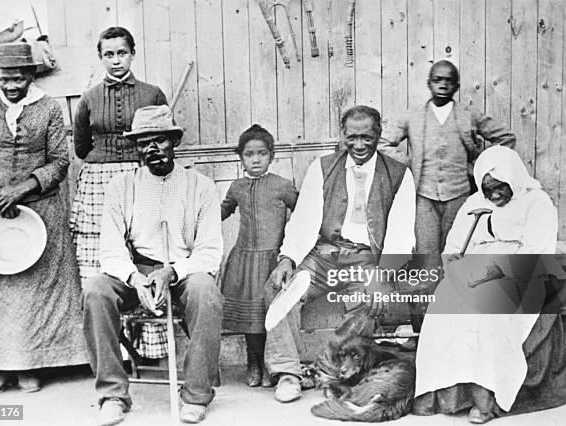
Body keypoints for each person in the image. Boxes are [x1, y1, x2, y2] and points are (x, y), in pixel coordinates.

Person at [0, 42, 86, 394]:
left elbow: (60, 161)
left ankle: (31, 365)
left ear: (30, 75)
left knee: (34, 291)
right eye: (3, 78)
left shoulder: (49, 108)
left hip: (40, 209)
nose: (10, 85)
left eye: (17, 78)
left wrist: (21, 190)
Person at [264, 105, 416, 403]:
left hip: (368, 260)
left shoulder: (399, 174)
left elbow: (401, 232)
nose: (359, 145)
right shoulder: (322, 167)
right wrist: (288, 258)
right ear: (342, 135)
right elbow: (304, 218)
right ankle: (288, 373)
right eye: (352, 137)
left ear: (379, 135)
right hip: (324, 256)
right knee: (278, 288)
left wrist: (383, 277)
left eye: (367, 137)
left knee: (370, 303)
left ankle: (326, 370)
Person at [82, 105, 223, 425]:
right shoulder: (121, 186)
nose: (153, 148)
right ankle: (113, 395)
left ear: (174, 142)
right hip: (137, 272)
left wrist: (172, 271)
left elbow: (210, 251)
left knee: (205, 290)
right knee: (95, 291)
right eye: (145, 142)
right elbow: (111, 249)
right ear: (137, 147)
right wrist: (134, 278)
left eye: (160, 140)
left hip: (183, 272)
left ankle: (197, 395)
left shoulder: (201, 187)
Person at [414, 146, 566, 423]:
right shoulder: (473, 204)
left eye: (500, 187)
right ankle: (444, 394)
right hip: (473, 274)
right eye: (488, 190)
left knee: (487, 316)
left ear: (514, 179)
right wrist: (457, 269)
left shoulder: (537, 203)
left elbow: (535, 253)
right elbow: (453, 248)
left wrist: (492, 271)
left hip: (521, 275)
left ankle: (486, 400)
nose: (495, 195)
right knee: (443, 307)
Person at [70, 26, 170, 361]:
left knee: (144, 254)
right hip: (98, 182)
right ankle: (117, 354)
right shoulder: (89, 98)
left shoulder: (152, 93)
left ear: (133, 53)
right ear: (100, 58)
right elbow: (82, 146)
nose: (115, 60)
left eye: (122, 53)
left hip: (141, 177)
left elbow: (164, 141)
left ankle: (149, 348)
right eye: (108, 54)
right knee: (105, 260)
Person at [381, 60, 516, 256]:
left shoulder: (468, 115)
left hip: (459, 194)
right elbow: (382, 142)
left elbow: (506, 138)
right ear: (429, 83)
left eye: (449, 81)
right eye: (437, 80)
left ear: (457, 86)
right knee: (426, 250)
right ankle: (428, 286)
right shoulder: (413, 116)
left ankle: (452, 286)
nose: (443, 85)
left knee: (456, 246)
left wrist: (483, 167)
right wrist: (409, 163)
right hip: (423, 195)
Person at [220, 124, 298, 387]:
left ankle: (271, 363)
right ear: (240, 157)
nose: (255, 159)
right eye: (249, 154)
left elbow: (303, 214)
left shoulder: (282, 186)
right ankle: (253, 361)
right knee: (249, 317)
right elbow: (221, 211)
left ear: (271, 155)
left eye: (262, 153)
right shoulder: (237, 187)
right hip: (243, 261)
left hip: (271, 261)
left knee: (271, 315)